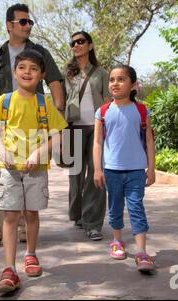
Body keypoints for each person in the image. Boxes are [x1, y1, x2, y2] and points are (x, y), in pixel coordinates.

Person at [0, 3, 65, 246]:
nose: (28, 26)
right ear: (10, 25)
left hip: (35, 123)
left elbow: (55, 82)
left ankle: (27, 231)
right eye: (23, 22)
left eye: (30, 22)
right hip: (3, 122)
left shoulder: (40, 53)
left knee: (31, 174)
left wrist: (57, 111)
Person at [0, 49, 68, 294]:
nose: (27, 72)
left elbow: (58, 135)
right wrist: (2, 151)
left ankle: (30, 254)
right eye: (22, 68)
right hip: (9, 169)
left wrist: (38, 153)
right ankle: (9, 269)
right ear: (14, 72)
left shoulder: (44, 103)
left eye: (33, 69)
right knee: (10, 216)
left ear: (42, 75)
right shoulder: (4, 101)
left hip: (36, 169)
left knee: (31, 213)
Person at [93, 64, 156, 272]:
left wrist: (151, 168)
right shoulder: (102, 112)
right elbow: (98, 143)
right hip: (111, 170)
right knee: (115, 207)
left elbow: (149, 141)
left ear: (133, 85)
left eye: (121, 79)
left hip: (136, 170)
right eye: (112, 80)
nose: (115, 83)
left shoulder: (141, 110)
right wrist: (97, 169)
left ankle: (141, 252)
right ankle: (117, 241)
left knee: (137, 208)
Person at [61, 31, 110, 240]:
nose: (76, 45)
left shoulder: (101, 73)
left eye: (80, 41)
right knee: (76, 175)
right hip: (73, 129)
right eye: (73, 43)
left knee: (97, 174)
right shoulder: (67, 74)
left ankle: (93, 223)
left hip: (97, 129)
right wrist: (60, 134)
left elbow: (109, 103)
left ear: (90, 45)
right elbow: (61, 104)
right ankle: (77, 214)